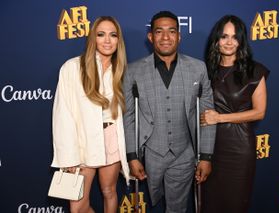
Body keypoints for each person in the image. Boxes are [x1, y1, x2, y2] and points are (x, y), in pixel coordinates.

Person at [123, 11, 216, 213]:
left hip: (184, 153)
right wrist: (132, 156)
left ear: (179, 36)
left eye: (171, 31)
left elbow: (207, 114)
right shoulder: (133, 71)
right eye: (159, 32)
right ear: (151, 37)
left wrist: (206, 157)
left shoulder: (198, 69)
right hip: (151, 152)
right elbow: (128, 116)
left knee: (177, 208)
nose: (166, 37)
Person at [51, 16, 130, 213]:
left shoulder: (120, 71)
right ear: (92, 38)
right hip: (82, 142)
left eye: (113, 35)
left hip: (111, 138)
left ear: (118, 41)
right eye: (101, 34)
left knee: (109, 191)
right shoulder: (72, 67)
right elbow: (63, 114)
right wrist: (68, 156)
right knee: (77, 206)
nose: (107, 40)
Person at [200, 15, 270, 213]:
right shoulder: (205, 70)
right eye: (224, 37)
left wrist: (220, 117)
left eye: (235, 37)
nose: (229, 42)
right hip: (210, 148)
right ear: (216, 40)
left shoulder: (254, 71)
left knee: (235, 205)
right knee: (210, 204)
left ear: (241, 41)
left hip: (239, 149)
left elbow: (259, 112)